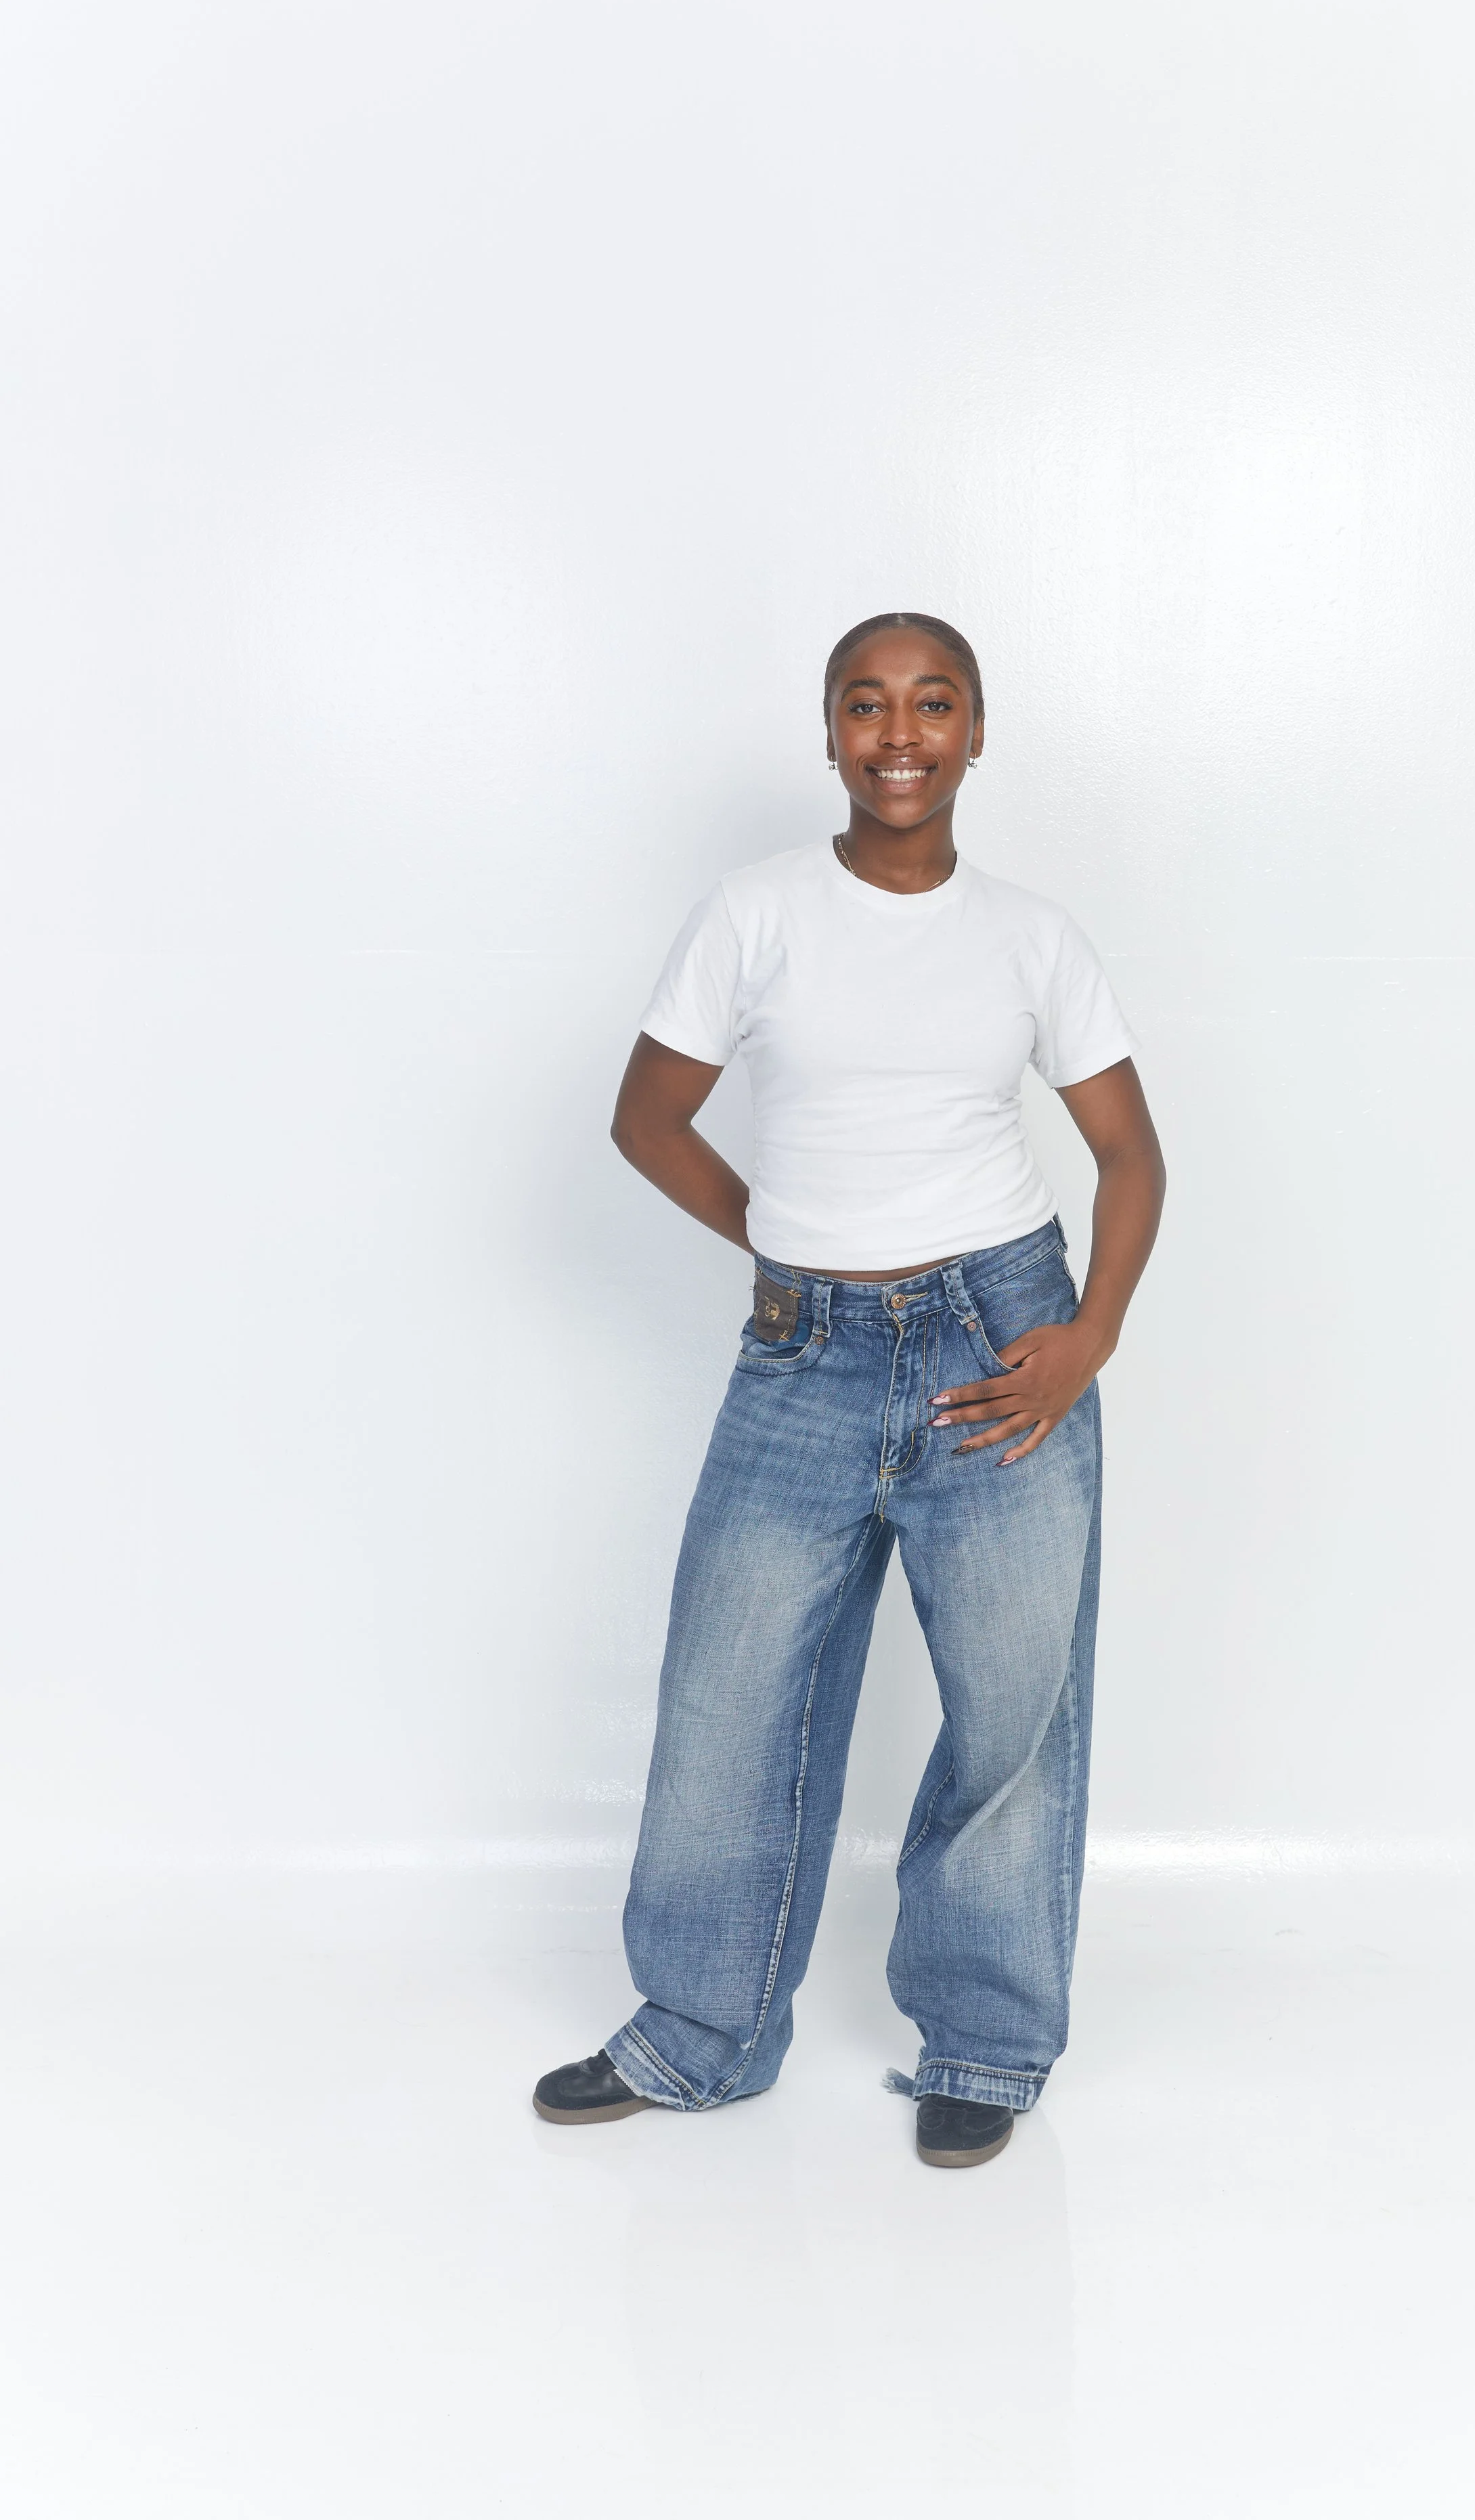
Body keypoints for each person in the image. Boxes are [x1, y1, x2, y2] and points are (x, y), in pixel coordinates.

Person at [533, 613, 1165, 2167]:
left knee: (1010, 1712)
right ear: (827, 732)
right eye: (866, 705)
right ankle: (698, 2033)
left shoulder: (1030, 935)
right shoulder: (754, 915)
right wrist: (779, 1239)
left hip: (996, 1344)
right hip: (801, 1362)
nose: (900, 732)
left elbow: (1128, 1152)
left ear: (972, 729)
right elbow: (647, 1115)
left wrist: (1089, 1335)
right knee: (724, 1702)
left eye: (931, 703)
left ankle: (986, 2041)